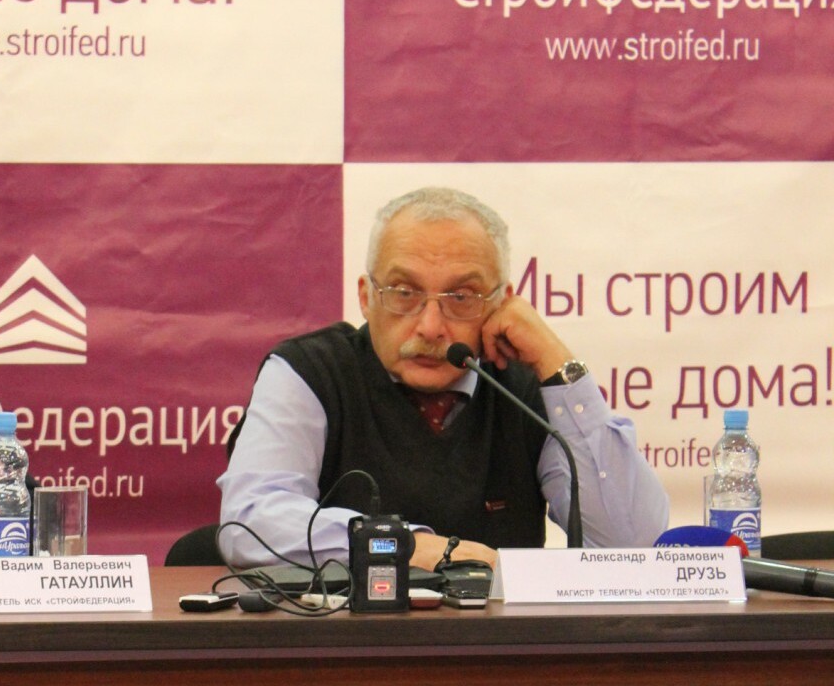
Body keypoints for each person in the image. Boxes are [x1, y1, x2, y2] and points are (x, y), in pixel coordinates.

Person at [217, 187, 669, 570]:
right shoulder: (310, 372)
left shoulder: (524, 388)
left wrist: (557, 362)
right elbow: (251, 522)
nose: (430, 326)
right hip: (343, 642)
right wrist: (407, 547)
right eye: (403, 292)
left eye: (462, 297)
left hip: (502, 645)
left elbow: (630, 546)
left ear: (502, 303)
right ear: (366, 297)